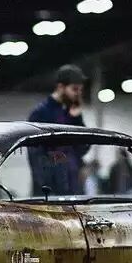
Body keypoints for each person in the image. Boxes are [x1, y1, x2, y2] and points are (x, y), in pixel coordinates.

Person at [26, 64, 89, 196]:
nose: (78, 94)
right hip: (50, 192)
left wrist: (76, 120)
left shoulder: (72, 114)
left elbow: (83, 149)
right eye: (75, 89)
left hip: (73, 189)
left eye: (80, 90)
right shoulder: (40, 113)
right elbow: (35, 156)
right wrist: (45, 188)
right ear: (61, 87)